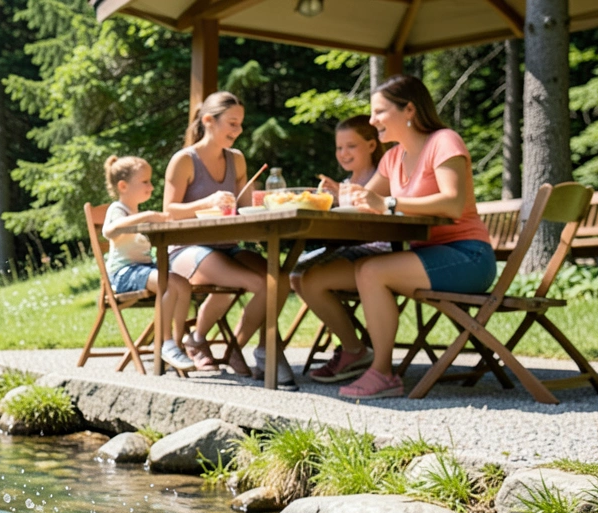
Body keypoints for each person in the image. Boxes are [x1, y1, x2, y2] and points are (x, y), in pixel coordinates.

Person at [298, 74, 495, 399]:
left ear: (409, 110)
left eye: (379, 112)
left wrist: (388, 202)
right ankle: (355, 353)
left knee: (372, 271)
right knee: (312, 277)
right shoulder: (392, 158)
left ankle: (383, 374)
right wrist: (337, 197)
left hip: (467, 256)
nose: (372, 120)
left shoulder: (444, 141)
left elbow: (453, 202)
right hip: (420, 256)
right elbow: (362, 203)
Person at [162, 91, 296, 388]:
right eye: (232, 124)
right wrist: (206, 201)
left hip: (227, 246)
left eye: (240, 125)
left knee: (280, 280)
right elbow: (169, 212)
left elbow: (244, 207)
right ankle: (228, 348)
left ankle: (248, 347)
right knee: (260, 284)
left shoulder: (237, 160)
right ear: (209, 121)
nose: (238, 131)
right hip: (187, 249)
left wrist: (268, 203)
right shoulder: (184, 161)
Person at [289, 115, 394, 377]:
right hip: (349, 249)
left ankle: (353, 350)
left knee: (310, 279)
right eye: (339, 148)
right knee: (295, 275)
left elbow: (375, 214)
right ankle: (351, 347)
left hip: (379, 251)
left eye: (351, 146)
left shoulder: (383, 176)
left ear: (371, 145)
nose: (343, 153)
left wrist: (340, 195)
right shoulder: (346, 183)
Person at [100, 154, 197, 372]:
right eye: (145, 181)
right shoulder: (118, 209)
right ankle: (165, 342)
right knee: (168, 283)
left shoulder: (135, 212)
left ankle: (176, 343)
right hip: (123, 273)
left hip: (144, 269)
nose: (151, 187)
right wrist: (147, 216)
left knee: (182, 284)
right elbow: (109, 231)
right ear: (123, 186)